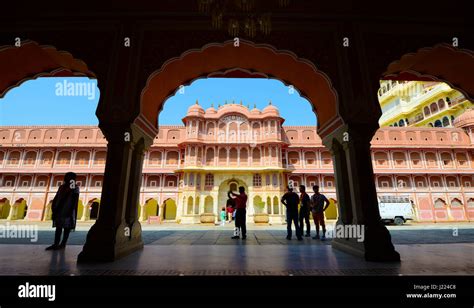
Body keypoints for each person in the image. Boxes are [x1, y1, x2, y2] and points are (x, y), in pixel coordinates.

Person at [45, 172, 80, 250]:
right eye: (66, 177)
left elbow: (75, 200)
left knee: (66, 228)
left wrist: (71, 211)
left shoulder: (74, 187)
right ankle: (56, 244)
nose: (66, 178)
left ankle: (63, 244)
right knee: (58, 227)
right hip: (59, 209)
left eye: (68, 177)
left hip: (68, 209)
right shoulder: (62, 187)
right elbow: (57, 196)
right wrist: (54, 206)